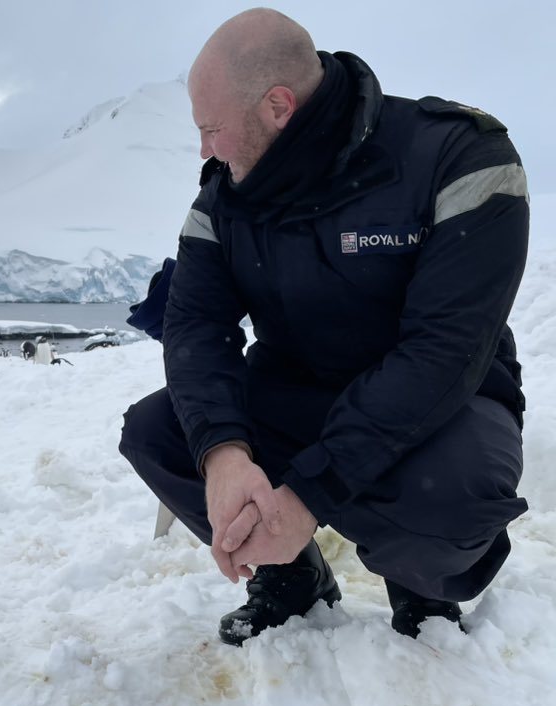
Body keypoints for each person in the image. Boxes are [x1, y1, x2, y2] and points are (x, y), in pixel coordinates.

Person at [120, 8, 529, 645]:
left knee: (448, 504)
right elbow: (197, 327)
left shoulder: (457, 155)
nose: (204, 150)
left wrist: (310, 495)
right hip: (301, 389)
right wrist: (224, 454)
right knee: (160, 432)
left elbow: (442, 353)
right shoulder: (225, 196)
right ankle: (293, 576)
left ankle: (420, 585)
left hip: (445, 405)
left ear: (278, 105)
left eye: (210, 129)